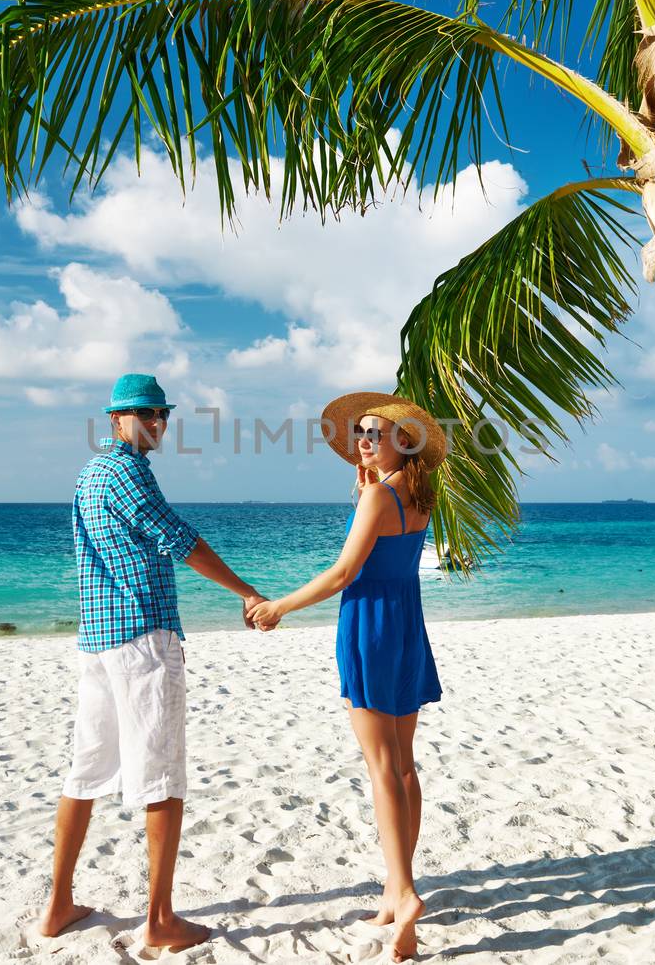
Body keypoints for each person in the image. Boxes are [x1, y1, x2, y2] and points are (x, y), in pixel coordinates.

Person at [40, 373, 266, 951]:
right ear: (115, 418)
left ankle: (58, 904)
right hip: (141, 639)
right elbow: (180, 540)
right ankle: (160, 920)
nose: (156, 423)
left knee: (85, 771)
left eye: (161, 414)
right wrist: (247, 592)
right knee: (161, 775)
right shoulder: (126, 470)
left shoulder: (89, 475)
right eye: (144, 413)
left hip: (98, 640)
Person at [247, 391, 445, 962]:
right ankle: (393, 889)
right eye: (358, 431)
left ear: (401, 442)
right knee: (404, 766)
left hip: (370, 627)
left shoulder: (378, 497)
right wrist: (367, 487)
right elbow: (388, 550)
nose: (362, 439)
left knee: (383, 768)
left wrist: (278, 606)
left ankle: (404, 893)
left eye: (373, 433)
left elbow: (342, 573)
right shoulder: (418, 493)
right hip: (406, 624)